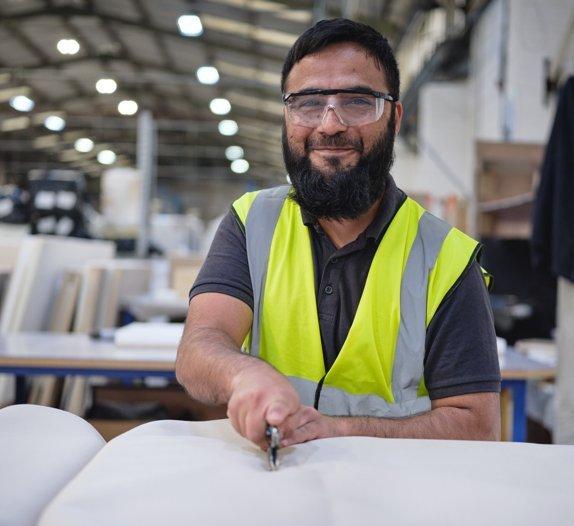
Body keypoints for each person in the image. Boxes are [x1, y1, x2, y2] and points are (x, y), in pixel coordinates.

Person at [176, 18, 501, 451]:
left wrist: (340, 431)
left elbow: (477, 426)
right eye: (308, 103)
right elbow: (199, 346)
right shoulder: (251, 221)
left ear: (394, 117)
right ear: (287, 116)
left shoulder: (446, 258)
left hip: (401, 493)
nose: (329, 125)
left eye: (358, 102)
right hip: (279, 479)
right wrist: (244, 374)